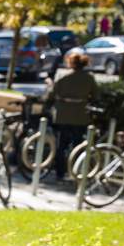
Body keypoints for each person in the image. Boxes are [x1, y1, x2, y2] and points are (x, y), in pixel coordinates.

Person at [44, 51, 98, 182]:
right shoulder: (89, 78)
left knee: (61, 145)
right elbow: (96, 95)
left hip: (63, 114)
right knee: (78, 144)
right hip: (80, 115)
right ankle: (75, 170)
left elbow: (52, 94)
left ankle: (60, 172)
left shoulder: (63, 76)